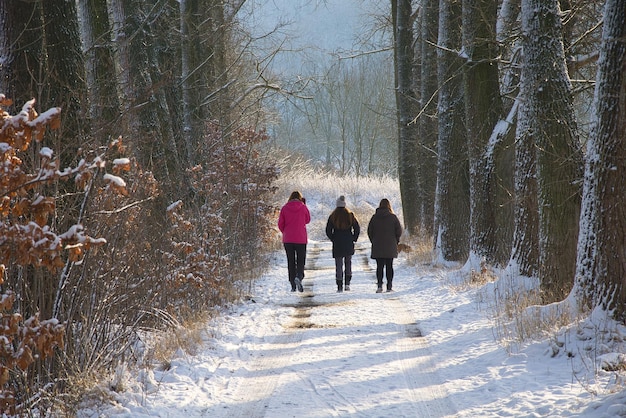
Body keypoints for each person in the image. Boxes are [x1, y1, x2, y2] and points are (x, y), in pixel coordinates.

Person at [325, 195, 360, 293]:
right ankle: (347, 284)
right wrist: (354, 238)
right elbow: (357, 228)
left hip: (337, 242)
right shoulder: (350, 214)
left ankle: (339, 286)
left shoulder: (333, 216)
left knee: (338, 264)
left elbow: (328, 230)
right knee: (348, 263)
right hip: (348, 241)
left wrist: (333, 238)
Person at [367, 198, 402, 293]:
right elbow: (399, 231)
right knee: (389, 266)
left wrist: (373, 241)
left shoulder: (374, 217)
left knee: (379, 267)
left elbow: (370, 231)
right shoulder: (393, 217)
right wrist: (395, 241)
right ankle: (389, 286)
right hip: (390, 246)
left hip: (377, 245)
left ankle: (379, 286)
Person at [278, 191, 310, 292]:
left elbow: (280, 224)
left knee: (290, 261)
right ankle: (299, 276)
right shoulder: (303, 207)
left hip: (288, 239)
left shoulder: (284, 208)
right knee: (301, 260)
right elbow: (308, 220)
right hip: (301, 238)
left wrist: (286, 232)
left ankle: (292, 284)